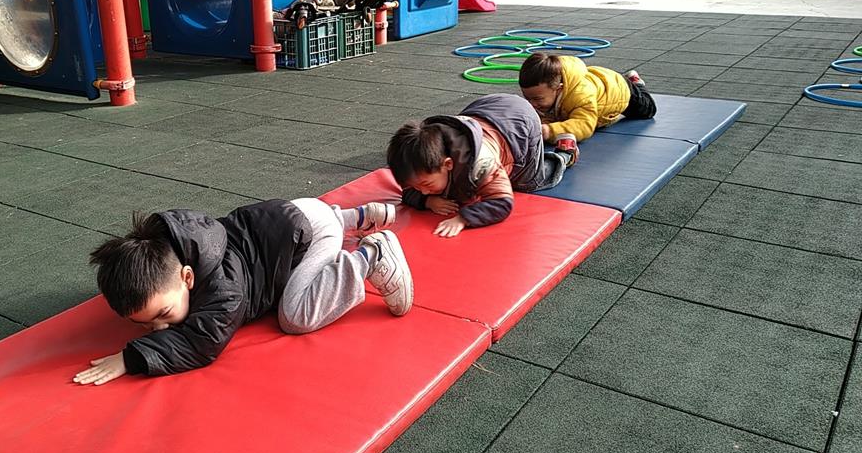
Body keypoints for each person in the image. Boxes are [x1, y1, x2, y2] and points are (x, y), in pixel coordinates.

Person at [74, 198, 413, 385]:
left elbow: (203, 342)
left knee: (295, 316)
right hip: (297, 217)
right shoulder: (174, 249)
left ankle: (371, 257)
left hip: (308, 237)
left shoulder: (225, 289)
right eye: (146, 325)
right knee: (287, 269)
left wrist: (133, 357)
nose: (159, 328)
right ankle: (353, 217)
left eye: (163, 315)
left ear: (188, 277)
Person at [386, 94, 576, 238]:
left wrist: (463, 218)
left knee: (528, 181)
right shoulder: (427, 156)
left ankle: (565, 153)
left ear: (448, 164)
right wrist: (427, 201)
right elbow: (408, 189)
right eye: (418, 187)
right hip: (488, 109)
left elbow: (501, 202)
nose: (423, 191)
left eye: (426, 185)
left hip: (522, 122)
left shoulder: (483, 164)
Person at [517, 51, 657, 142]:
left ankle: (636, 82)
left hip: (618, 89)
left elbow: (585, 124)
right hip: (596, 79)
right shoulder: (545, 90)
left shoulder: (581, 96)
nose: (532, 104)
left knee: (647, 110)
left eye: (537, 99)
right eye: (527, 98)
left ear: (559, 89)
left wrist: (549, 130)